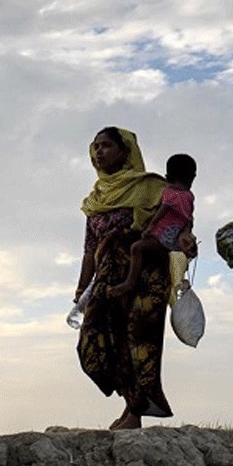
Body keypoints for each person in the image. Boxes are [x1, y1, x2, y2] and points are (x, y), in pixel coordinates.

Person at [75, 127, 172, 430]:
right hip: (106, 283)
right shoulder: (95, 198)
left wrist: (185, 240)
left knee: (139, 342)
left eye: (106, 146)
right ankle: (130, 401)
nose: (99, 152)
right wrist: (81, 288)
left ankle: (135, 411)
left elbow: (175, 222)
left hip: (144, 277)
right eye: (95, 147)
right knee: (95, 342)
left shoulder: (151, 187)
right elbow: (89, 249)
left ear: (125, 150)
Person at [109, 154, 198, 297]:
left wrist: (150, 227)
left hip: (162, 236)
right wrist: (186, 232)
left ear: (167, 177)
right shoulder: (189, 196)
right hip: (176, 238)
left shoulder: (169, 192)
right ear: (192, 177)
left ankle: (129, 282)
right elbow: (188, 218)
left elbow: (162, 211)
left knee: (136, 248)